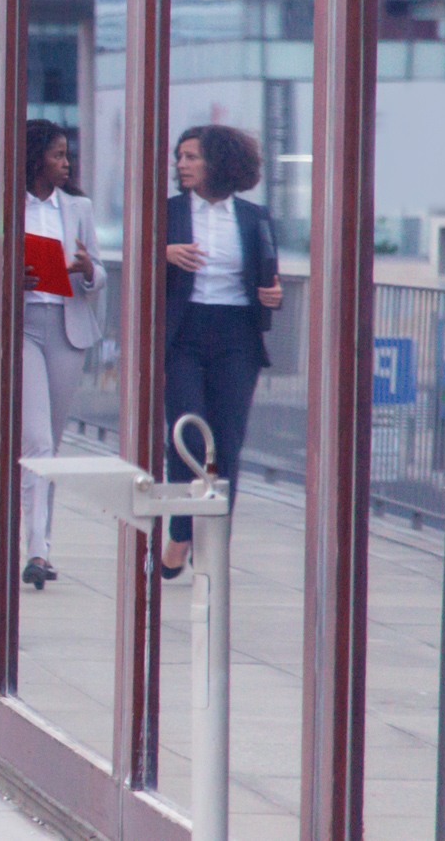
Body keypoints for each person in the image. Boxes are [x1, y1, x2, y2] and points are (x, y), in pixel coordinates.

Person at [0, 120, 107, 590]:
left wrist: (90, 269)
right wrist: (10, 282)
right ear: (34, 159)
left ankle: (38, 542)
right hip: (20, 329)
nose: (66, 164)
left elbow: (100, 274)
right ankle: (37, 550)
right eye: (57, 156)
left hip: (67, 328)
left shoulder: (80, 208)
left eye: (68, 156)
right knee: (37, 442)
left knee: (50, 441)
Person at [160, 124, 281, 579]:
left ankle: (211, 543)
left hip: (236, 335)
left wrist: (273, 296)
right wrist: (162, 250)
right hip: (184, 332)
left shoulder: (253, 217)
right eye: (180, 157)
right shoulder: (167, 213)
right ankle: (180, 532)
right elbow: (134, 261)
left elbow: (267, 276)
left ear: (219, 162)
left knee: (227, 440)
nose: (182, 165)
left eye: (191, 156)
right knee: (187, 434)